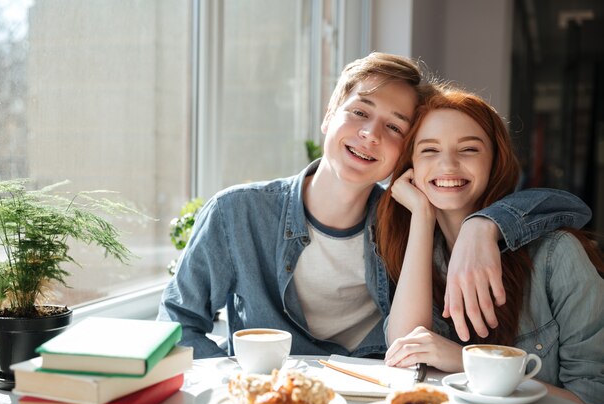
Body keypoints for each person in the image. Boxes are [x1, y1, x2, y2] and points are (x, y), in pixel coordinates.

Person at [157, 52, 591, 360]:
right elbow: (176, 325)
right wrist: (234, 382)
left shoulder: (406, 223)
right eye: (360, 112)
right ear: (329, 115)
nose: (370, 134)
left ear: (404, 152)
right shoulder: (237, 214)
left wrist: (484, 224)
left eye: (394, 126)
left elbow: (563, 206)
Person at [377, 85, 604, 404]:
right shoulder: (413, 250)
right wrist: (422, 216)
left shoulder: (557, 256)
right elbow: (405, 348)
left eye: (468, 149)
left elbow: (594, 402)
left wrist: (467, 361)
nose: (448, 165)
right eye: (429, 150)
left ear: (495, 160)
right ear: (410, 163)